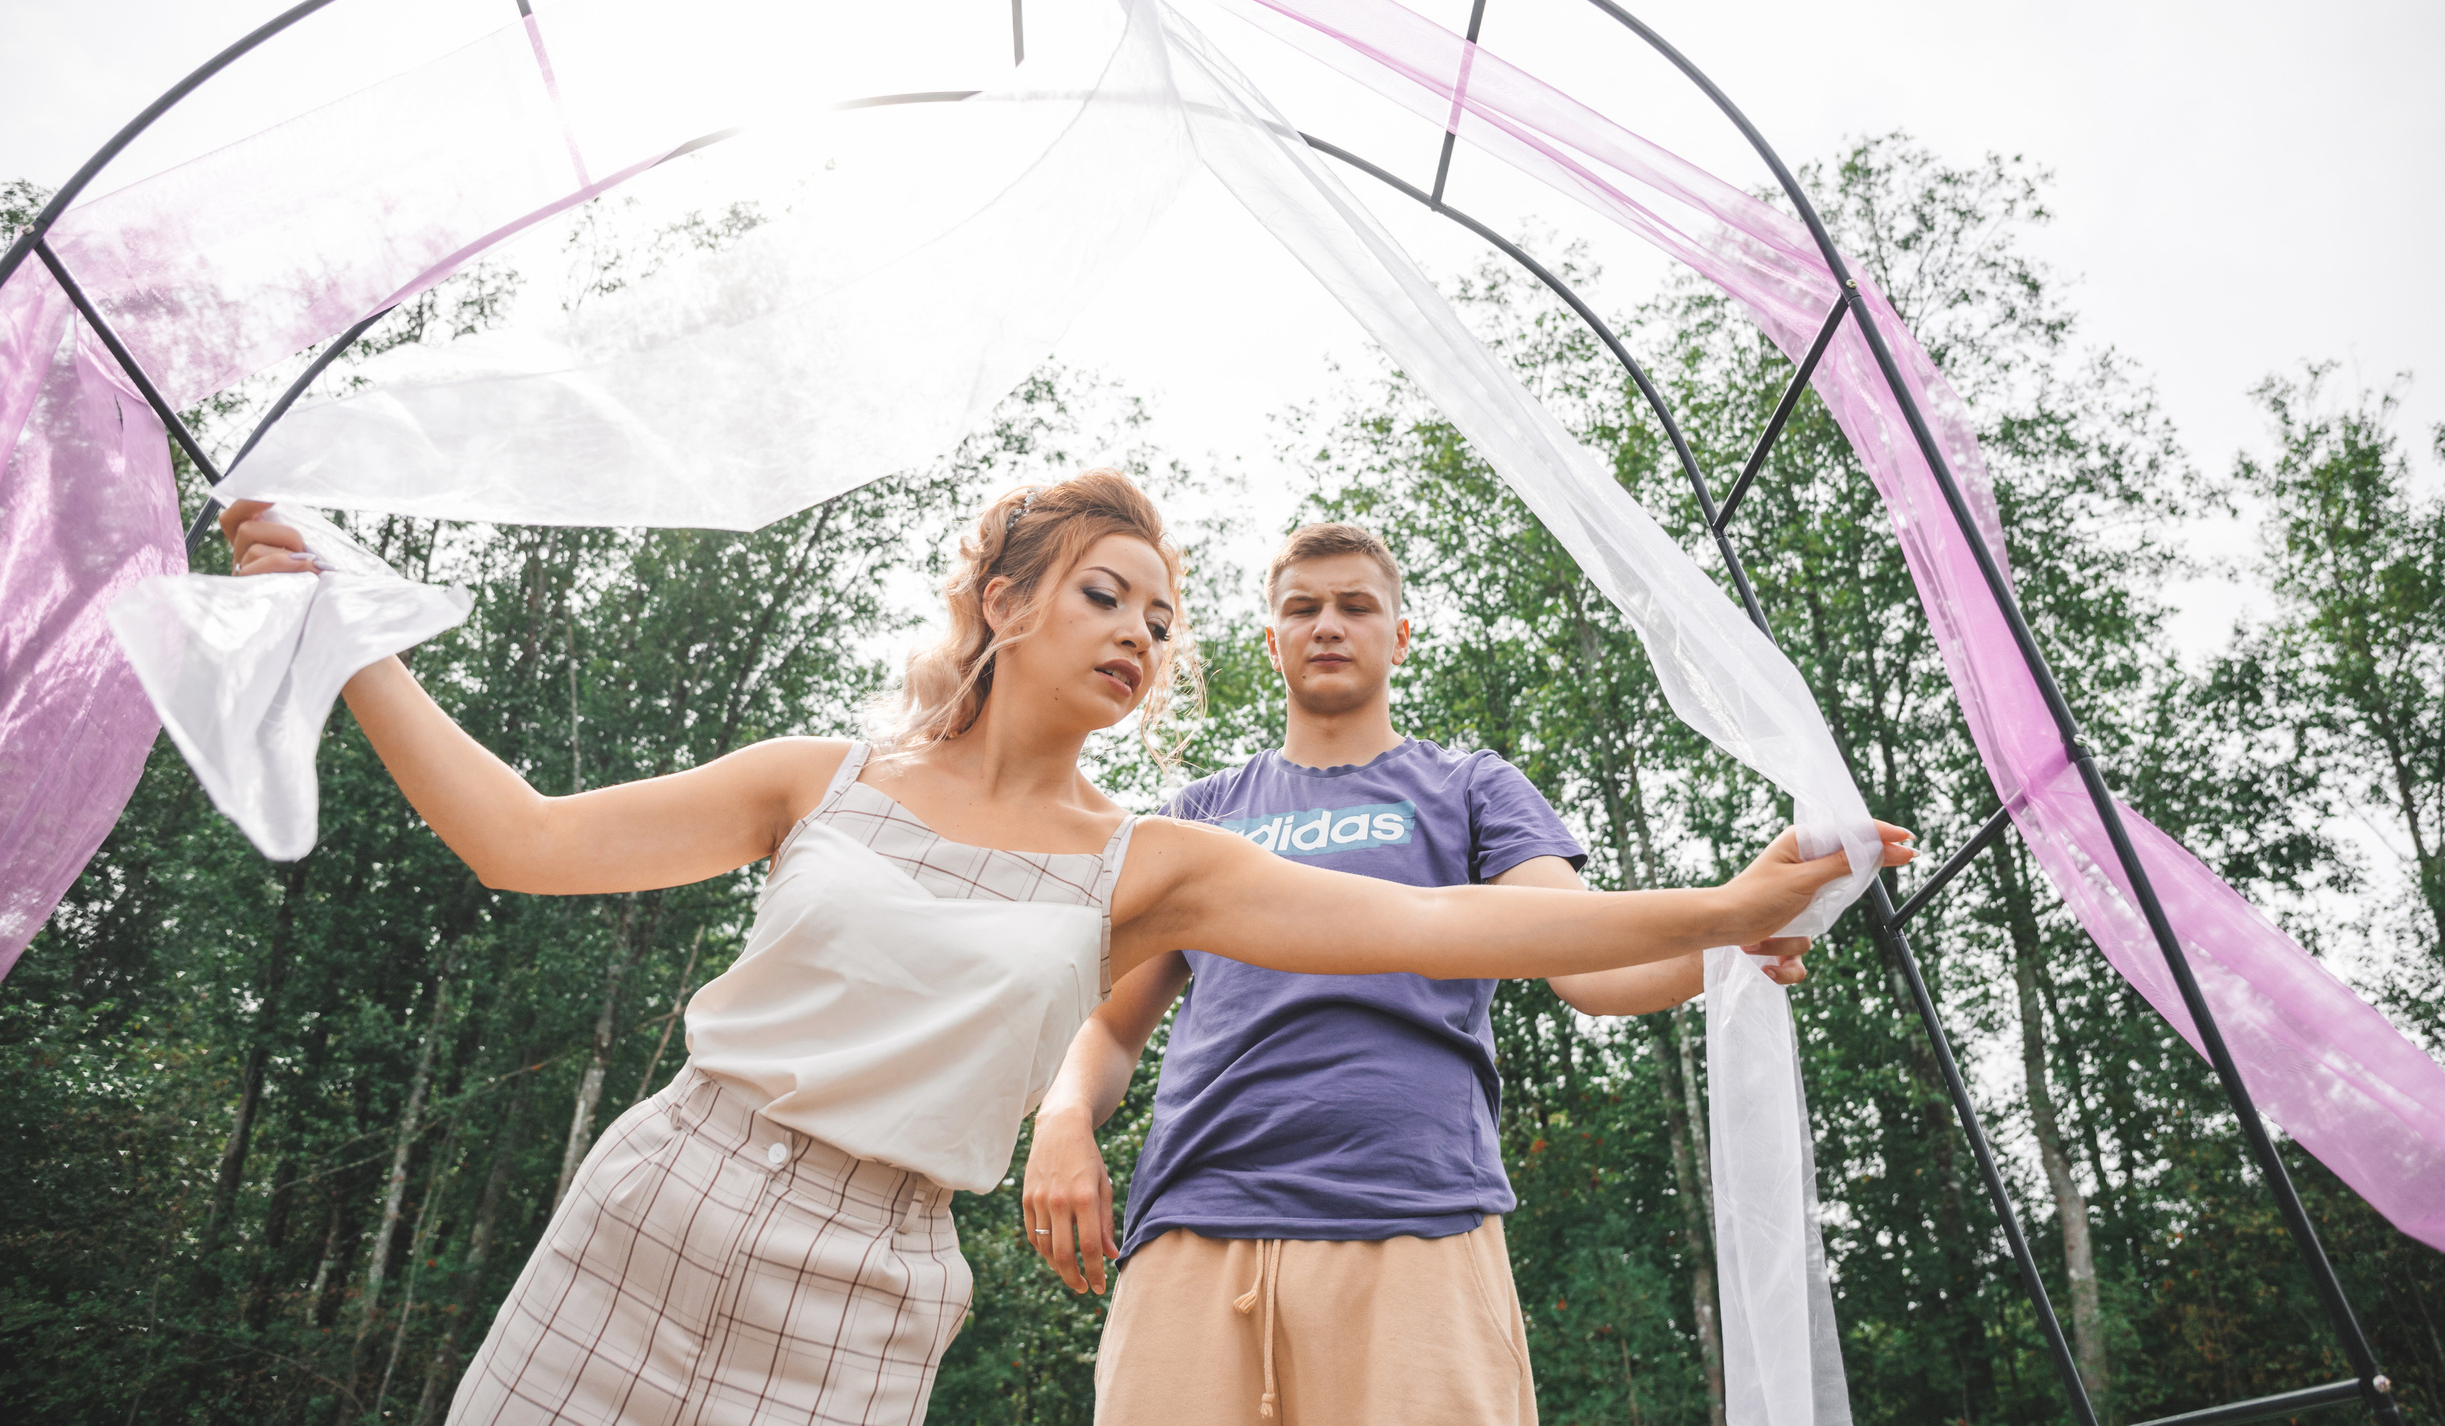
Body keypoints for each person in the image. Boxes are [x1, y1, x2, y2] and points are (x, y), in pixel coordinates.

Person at [218, 474, 1908, 1426]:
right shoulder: (820, 777)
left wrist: (1720, 913)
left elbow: (1456, 926)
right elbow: (519, 834)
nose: (1141, 635)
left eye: (1163, 618)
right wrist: (343, 629)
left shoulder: (1152, 859)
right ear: (1005, 605)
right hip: (661, 1205)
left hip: (878, 1280)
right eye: (1109, 595)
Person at [1025, 522, 1907, 1426]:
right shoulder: (1200, 815)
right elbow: (1108, 1022)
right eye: (1303, 608)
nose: (1329, 623)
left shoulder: (1469, 785)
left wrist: (1727, 938)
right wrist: (1061, 1118)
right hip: (1193, 1223)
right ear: (1272, 638)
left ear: (1400, 634)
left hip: (1416, 1218)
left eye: (1357, 605)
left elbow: (1584, 961)